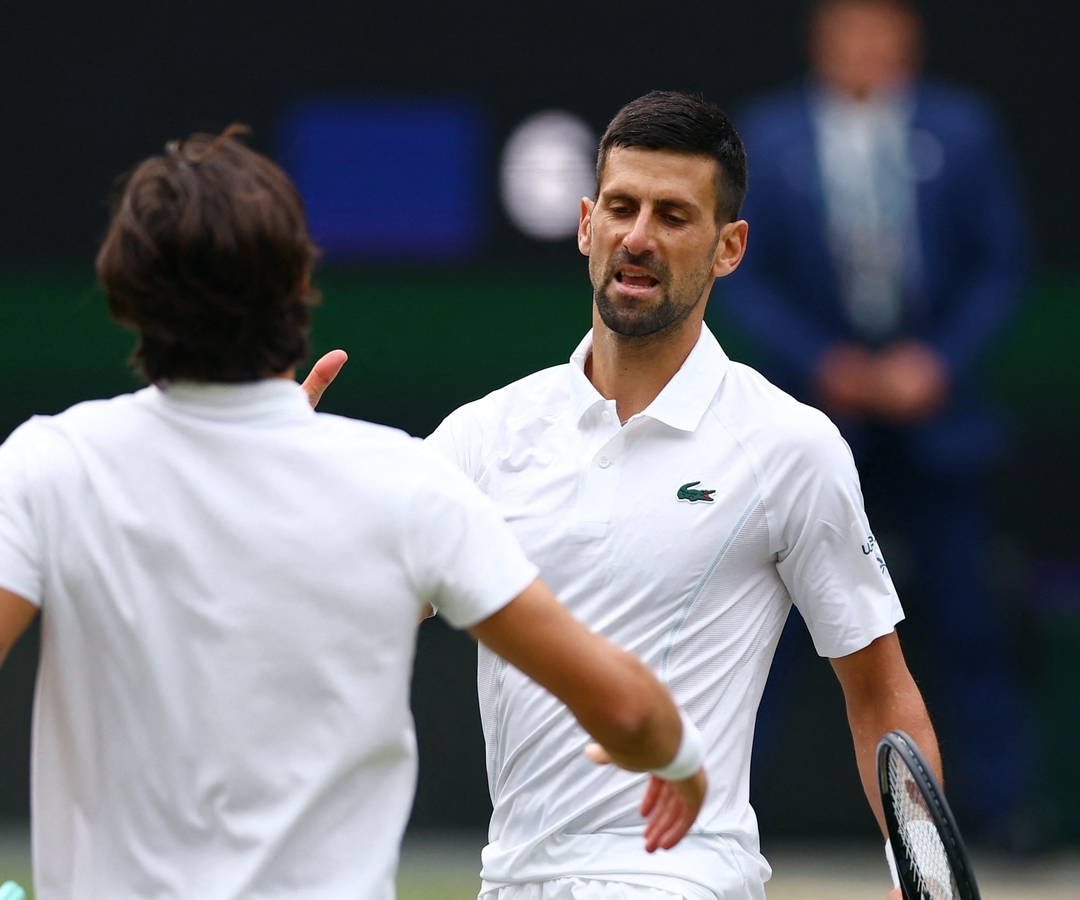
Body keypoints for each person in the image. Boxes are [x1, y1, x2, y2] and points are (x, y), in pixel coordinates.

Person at [0, 126, 710, 900]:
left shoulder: (47, 464)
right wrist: (680, 761)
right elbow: (627, 709)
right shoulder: (402, 482)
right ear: (296, 288)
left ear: (123, 293)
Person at [304, 91, 936, 899]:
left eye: (674, 216)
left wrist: (915, 870)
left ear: (728, 247)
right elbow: (347, 607)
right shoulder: (483, 435)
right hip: (514, 878)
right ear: (584, 224)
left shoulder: (791, 445)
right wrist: (274, 487)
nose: (638, 237)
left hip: (686, 880)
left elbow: (879, 687)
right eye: (621, 207)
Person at [723, 0, 1032, 843]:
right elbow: (745, 273)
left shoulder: (963, 130)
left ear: (908, 40)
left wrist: (936, 363)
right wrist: (827, 363)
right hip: (817, 421)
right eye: (846, 32)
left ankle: (1005, 814)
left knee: (969, 616)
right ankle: (722, 805)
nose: (863, 49)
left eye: (879, 31)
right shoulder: (771, 132)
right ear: (820, 43)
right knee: (775, 618)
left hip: (940, 420)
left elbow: (1001, 262)